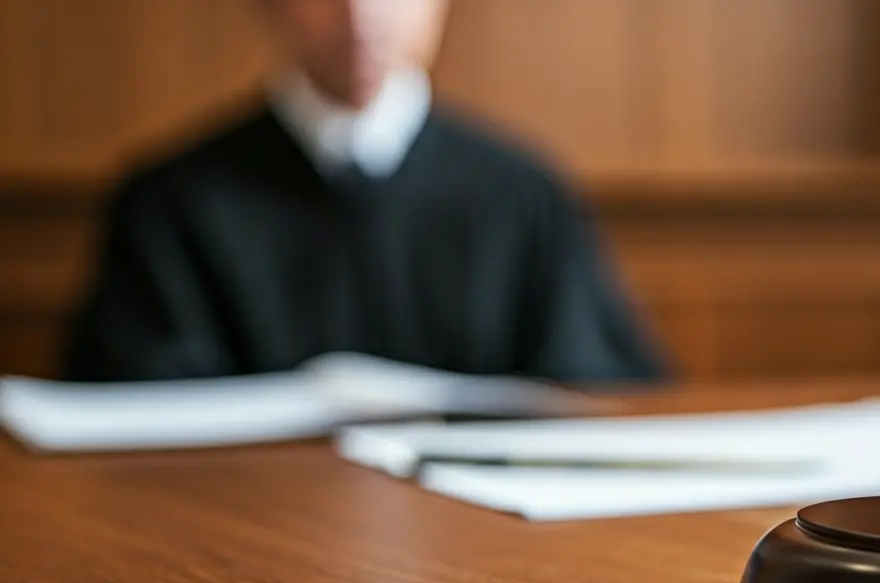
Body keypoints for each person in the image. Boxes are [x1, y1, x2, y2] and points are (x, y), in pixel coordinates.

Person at [61, 0, 668, 385]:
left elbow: (599, 387)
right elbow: (129, 407)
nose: (361, 14)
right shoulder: (172, 201)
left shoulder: (523, 195)